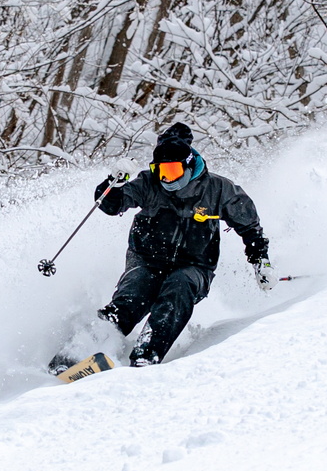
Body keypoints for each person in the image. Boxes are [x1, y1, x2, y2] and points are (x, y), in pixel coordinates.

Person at [94, 122, 271, 367]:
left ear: (189, 165)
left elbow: (249, 225)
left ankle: (147, 353)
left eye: (173, 171)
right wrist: (114, 183)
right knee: (135, 291)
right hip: (146, 260)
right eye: (161, 171)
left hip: (194, 266)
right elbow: (110, 205)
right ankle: (87, 346)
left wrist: (261, 260)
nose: (166, 178)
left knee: (178, 288)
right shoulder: (149, 184)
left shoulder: (218, 190)